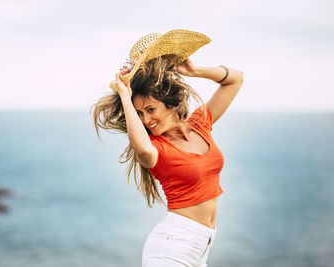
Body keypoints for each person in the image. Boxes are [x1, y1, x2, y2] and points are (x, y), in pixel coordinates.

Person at [92, 29, 244, 266]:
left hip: (201, 246)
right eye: (139, 113)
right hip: (173, 246)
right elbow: (141, 150)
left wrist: (195, 71)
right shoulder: (155, 149)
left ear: (171, 104)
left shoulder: (199, 123)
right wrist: (124, 95)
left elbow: (236, 79)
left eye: (150, 109)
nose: (145, 120)